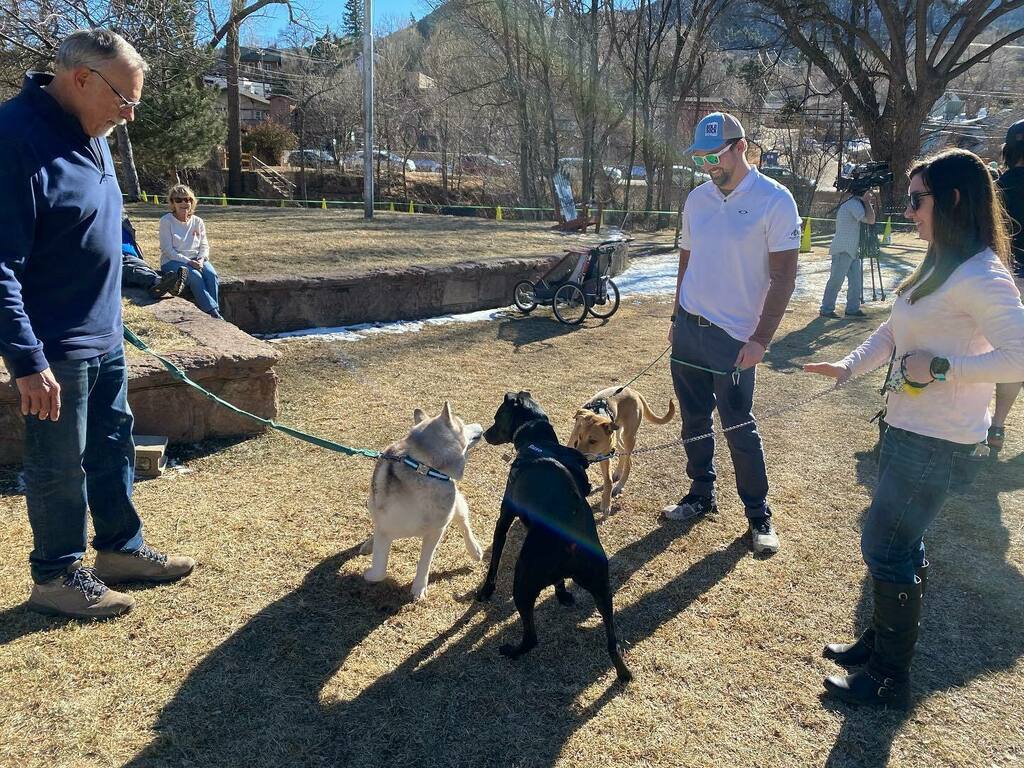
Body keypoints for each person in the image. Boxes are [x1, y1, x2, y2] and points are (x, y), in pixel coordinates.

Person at [804, 148, 1024, 708]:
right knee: (902, 541)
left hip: (937, 437)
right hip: (906, 426)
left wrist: (944, 368)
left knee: (884, 543)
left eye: (917, 199)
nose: (908, 211)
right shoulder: (939, 261)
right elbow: (896, 332)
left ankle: (888, 676)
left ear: (951, 200)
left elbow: (1019, 356)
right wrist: (849, 367)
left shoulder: (981, 274)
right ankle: (881, 645)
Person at [0, 29, 195, 619]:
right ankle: (57, 575)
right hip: (53, 342)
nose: (129, 116)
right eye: (124, 100)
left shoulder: (94, 129)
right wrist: (27, 362)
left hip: (106, 330)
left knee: (113, 443)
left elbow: (108, 221)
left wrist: (136, 269)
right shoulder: (15, 139)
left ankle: (119, 550)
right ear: (80, 77)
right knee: (60, 462)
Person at [662, 112, 802, 555]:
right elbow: (687, 257)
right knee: (693, 420)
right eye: (700, 157)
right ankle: (701, 494)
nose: (708, 165)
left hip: (736, 337)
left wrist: (760, 339)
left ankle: (759, 516)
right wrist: (675, 315)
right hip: (689, 329)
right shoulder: (697, 199)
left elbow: (784, 278)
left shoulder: (775, 201)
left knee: (739, 426)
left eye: (715, 155)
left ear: (741, 147)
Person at [988, 119, 1024, 458]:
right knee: (1018, 356)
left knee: (989, 350)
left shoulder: (996, 187)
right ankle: (997, 424)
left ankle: (987, 422)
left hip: (1000, 276)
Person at [159, 184, 222, 319]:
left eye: (187, 199)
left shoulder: (198, 221)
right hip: (173, 261)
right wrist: (189, 262)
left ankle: (215, 310)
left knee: (211, 275)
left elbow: (204, 244)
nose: (184, 203)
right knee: (195, 277)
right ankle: (212, 313)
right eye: (178, 200)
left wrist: (201, 259)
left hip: (196, 259)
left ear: (192, 202)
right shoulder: (166, 221)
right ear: (172, 203)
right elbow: (167, 250)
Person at [820, 188, 876, 318]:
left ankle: (852, 308)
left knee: (856, 281)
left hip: (852, 249)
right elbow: (870, 220)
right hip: (843, 249)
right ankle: (826, 309)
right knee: (836, 281)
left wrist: (866, 202)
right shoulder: (853, 204)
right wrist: (867, 202)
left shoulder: (854, 203)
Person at [122, 213, 187, 297]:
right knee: (129, 270)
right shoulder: (102, 219)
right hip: (113, 259)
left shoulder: (121, 219)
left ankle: (167, 284)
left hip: (132, 257)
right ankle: (158, 282)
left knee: (142, 269)